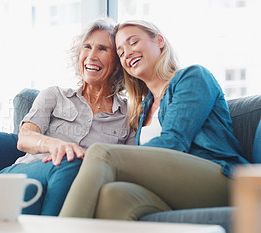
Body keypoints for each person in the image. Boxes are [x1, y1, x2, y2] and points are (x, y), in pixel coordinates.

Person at [59, 19, 249, 220]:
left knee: (101, 153)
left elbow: (174, 143)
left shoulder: (193, 77)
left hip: (224, 180)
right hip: (176, 188)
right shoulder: (144, 109)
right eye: (121, 52)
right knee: (112, 195)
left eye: (133, 43)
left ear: (159, 41)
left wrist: (115, 158)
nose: (127, 53)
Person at [0, 18, 135, 216]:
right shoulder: (54, 94)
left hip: (76, 187)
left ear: (117, 64)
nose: (91, 56)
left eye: (103, 49)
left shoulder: (128, 115)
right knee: (70, 161)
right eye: (87, 47)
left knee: (76, 167)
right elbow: (24, 138)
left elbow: (127, 166)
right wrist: (55, 145)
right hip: (23, 175)